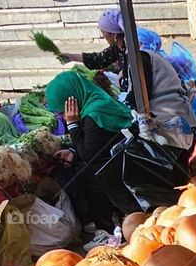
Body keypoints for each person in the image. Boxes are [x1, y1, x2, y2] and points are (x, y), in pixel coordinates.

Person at [59, 10, 196, 165]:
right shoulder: (123, 50)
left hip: (174, 123)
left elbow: (138, 97)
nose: (103, 35)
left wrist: (112, 110)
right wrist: (71, 57)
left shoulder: (140, 58)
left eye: (103, 32)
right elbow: (98, 60)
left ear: (113, 34)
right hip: (163, 120)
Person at [45, 70, 140, 235]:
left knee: (85, 173)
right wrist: (73, 151)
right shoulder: (97, 101)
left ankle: (107, 228)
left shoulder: (94, 114)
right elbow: (96, 144)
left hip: (124, 171)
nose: (62, 115)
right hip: (122, 159)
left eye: (62, 111)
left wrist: (73, 124)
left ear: (71, 101)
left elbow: (90, 155)